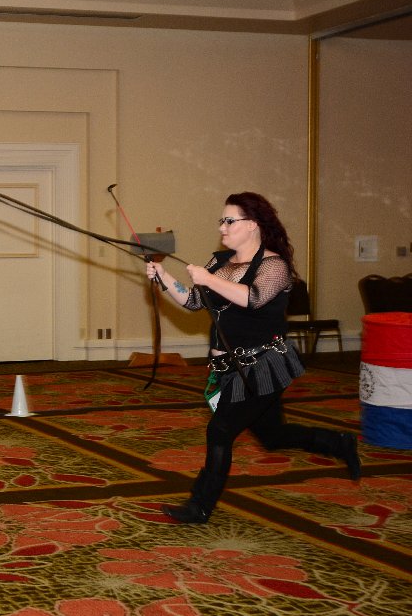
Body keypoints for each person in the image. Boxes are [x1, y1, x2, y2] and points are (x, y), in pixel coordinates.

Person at [147, 192, 361, 524]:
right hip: (227, 367)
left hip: (263, 366)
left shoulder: (275, 266)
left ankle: (199, 506)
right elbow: (193, 301)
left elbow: (253, 298)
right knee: (272, 436)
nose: (222, 228)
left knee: (220, 431)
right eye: (222, 221)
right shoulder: (219, 262)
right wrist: (164, 275)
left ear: (253, 225)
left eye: (229, 221)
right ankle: (338, 442)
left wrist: (208, 279)